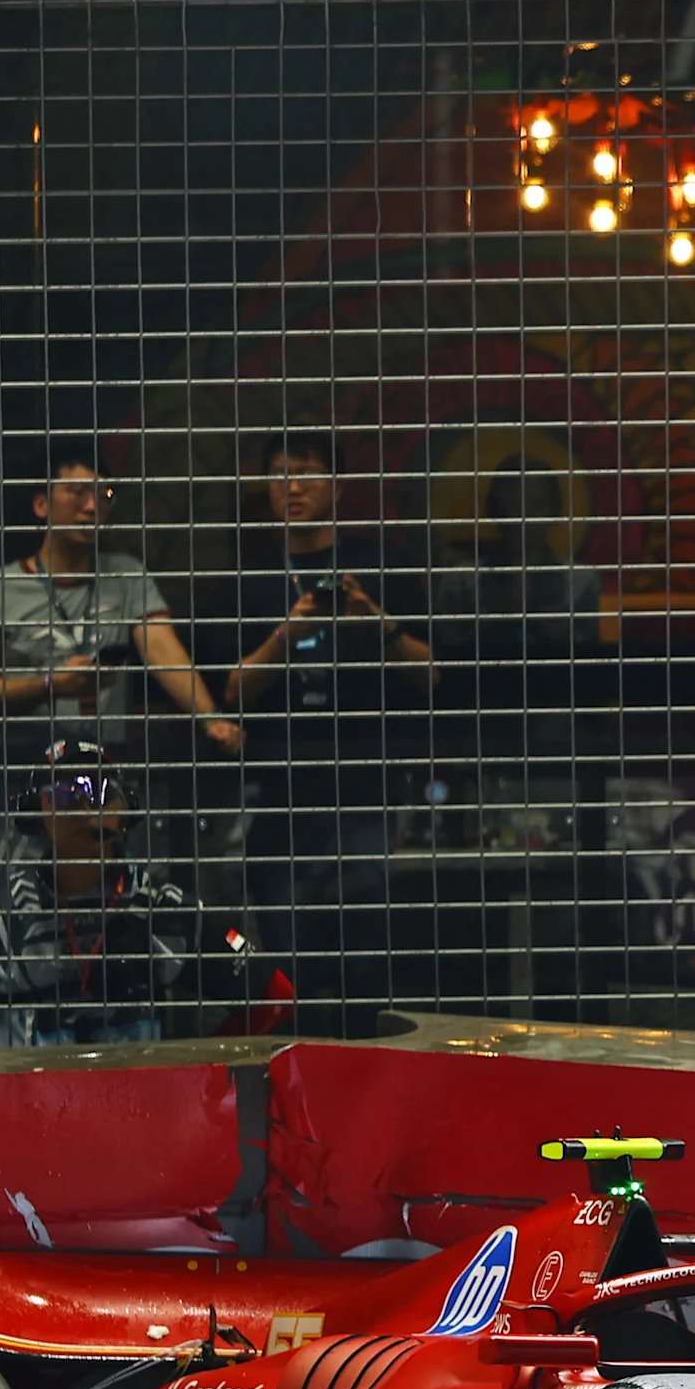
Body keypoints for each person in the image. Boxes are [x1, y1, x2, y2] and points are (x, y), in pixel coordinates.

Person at [223, 430, 434, 1031]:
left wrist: (377, 623)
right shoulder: (252, 577)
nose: (292, 486)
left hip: (366, 786)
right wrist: (285, 636)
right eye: (280, 473)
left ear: (337, 486)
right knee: (289, 961)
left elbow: (431, 674)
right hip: (280, 790)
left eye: (307, 472)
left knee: (366, 956)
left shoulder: (381, 560)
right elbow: (232, 691)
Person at [0, 453, 242, 764]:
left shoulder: (127, 576)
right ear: (41, 505)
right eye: (77, 493)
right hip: (21, 771)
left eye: (104, 496)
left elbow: (163, 650)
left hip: (105, 772)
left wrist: (210, 718)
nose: (92, 507)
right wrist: (50, 685)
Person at [0, 741, 258, 1047]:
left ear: (126, 808)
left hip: (134, 1093)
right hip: (29, 1093)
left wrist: (202, 1073)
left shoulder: (165, 911)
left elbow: (273, 994)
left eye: (100, 792)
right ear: (35, 812)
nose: (85, 808)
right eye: (62, 793)